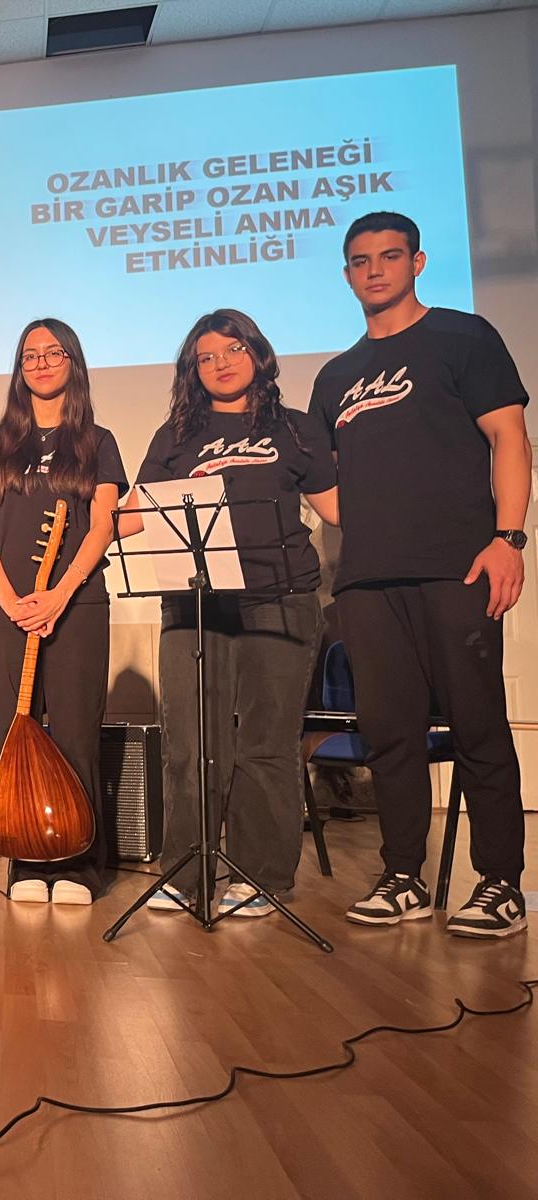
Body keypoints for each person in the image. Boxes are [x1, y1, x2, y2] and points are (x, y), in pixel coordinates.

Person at [311, 211, 528, 938]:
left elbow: (509, 437)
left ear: (417, 262)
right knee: (390, 734)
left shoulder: (464, 338)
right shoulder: (335, 376)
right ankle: (404, 875)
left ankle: (500, 884)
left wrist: (509, 537)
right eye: (360, 261)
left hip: (458, 568)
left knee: (477, 725)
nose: (374, 270)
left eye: (389, 256)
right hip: (367, 581)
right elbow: (333, 491)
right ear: (346, 275)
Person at [119, 310, 337, 917]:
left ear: (258, 355)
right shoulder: (175, 436)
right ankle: (186, 871)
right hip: (195, 607)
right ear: (192, 370)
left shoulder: (294, 430)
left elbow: (339, 508)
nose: (220, 363)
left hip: (280, 600)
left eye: (233, 349)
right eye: (206, 356)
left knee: (265, 745)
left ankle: (262, 876)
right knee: (189, 745)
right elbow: (134, 514)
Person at [0, 319, 125, 905]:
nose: (40, 362)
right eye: (29, 354)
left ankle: (81, 865)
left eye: (52, 352)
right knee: (14, 733)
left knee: (77, 733)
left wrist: (59, 595)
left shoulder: (97, 441)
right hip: (3, 606)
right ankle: (27, 861)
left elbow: (103, 523)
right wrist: (7, 600)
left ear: (73, 362)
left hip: (76, 605)